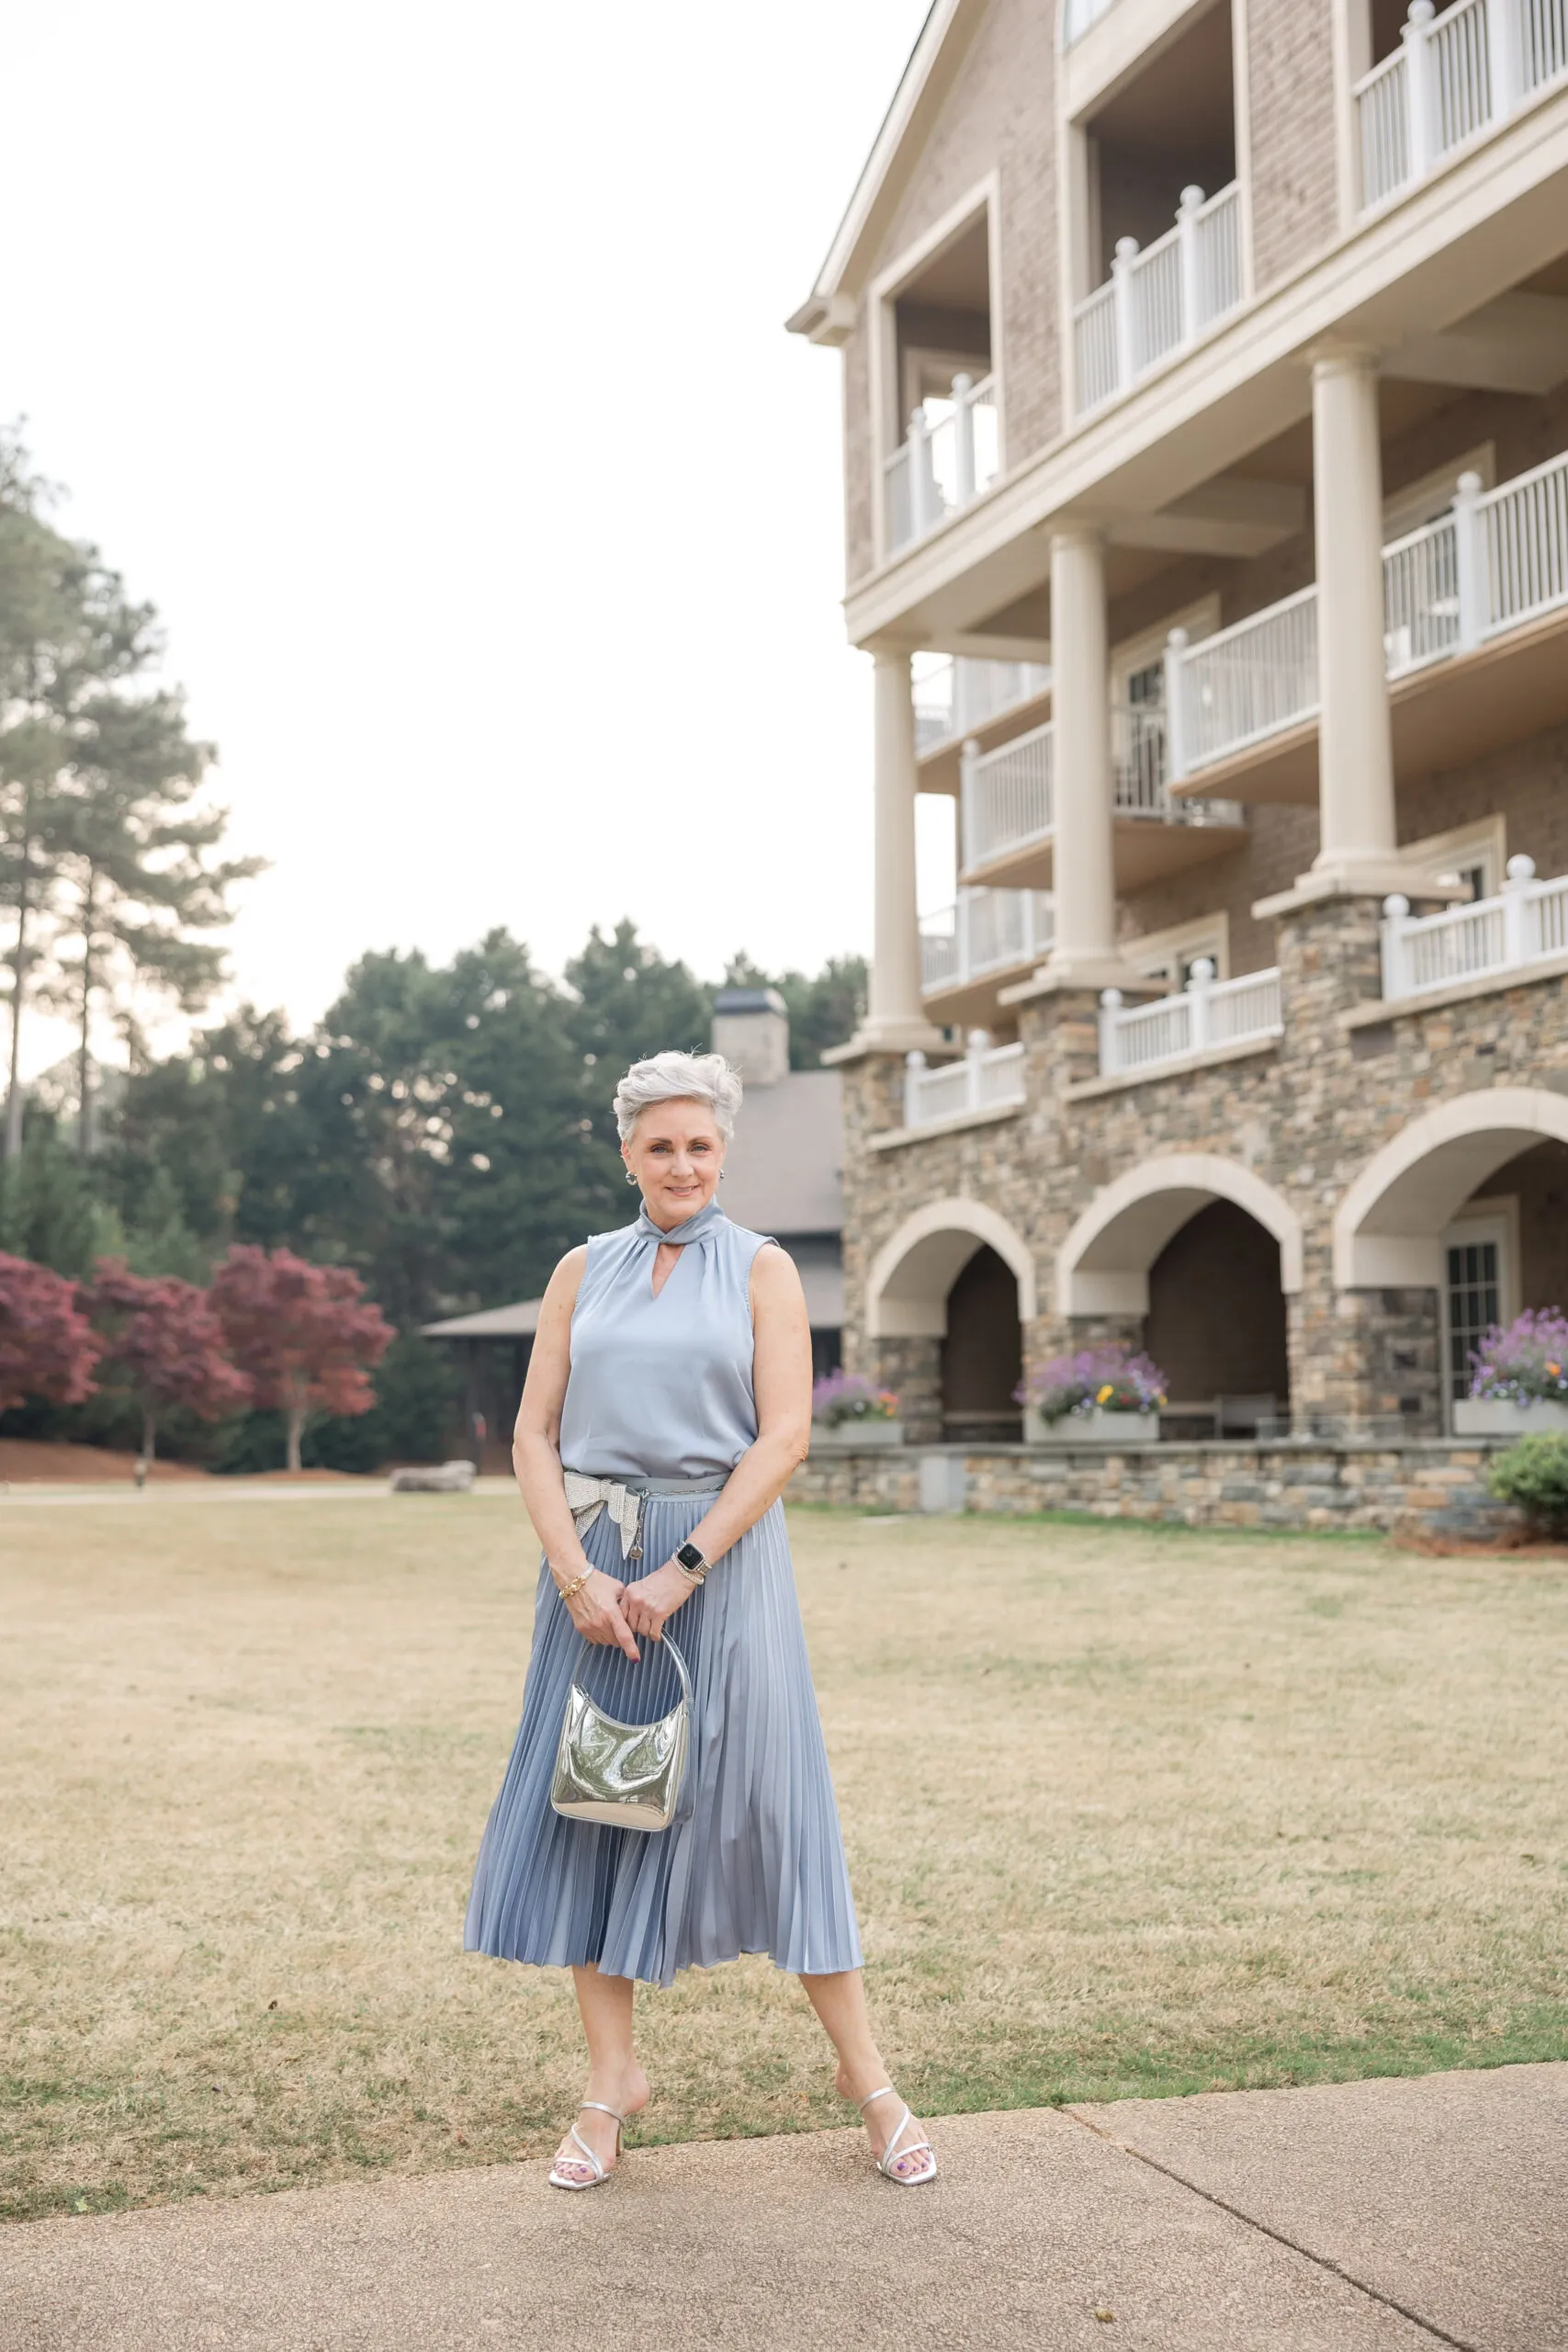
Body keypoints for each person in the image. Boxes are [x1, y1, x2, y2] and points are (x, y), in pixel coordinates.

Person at [465, 1049, 936, 2189]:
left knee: (775, 1807)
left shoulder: (765, 1270)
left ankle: (866, 2076)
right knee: (598, 1801)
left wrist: (681, 1568)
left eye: (702, 1145)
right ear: (627, 1152)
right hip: (591, 1576)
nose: (683, 1164)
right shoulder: (581, 1269)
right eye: (661, 1144)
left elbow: (783, 1438)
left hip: (720, 1571)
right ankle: (612, 2079)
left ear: (724, 1152)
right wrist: (578, 1575)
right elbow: (534, 1436)